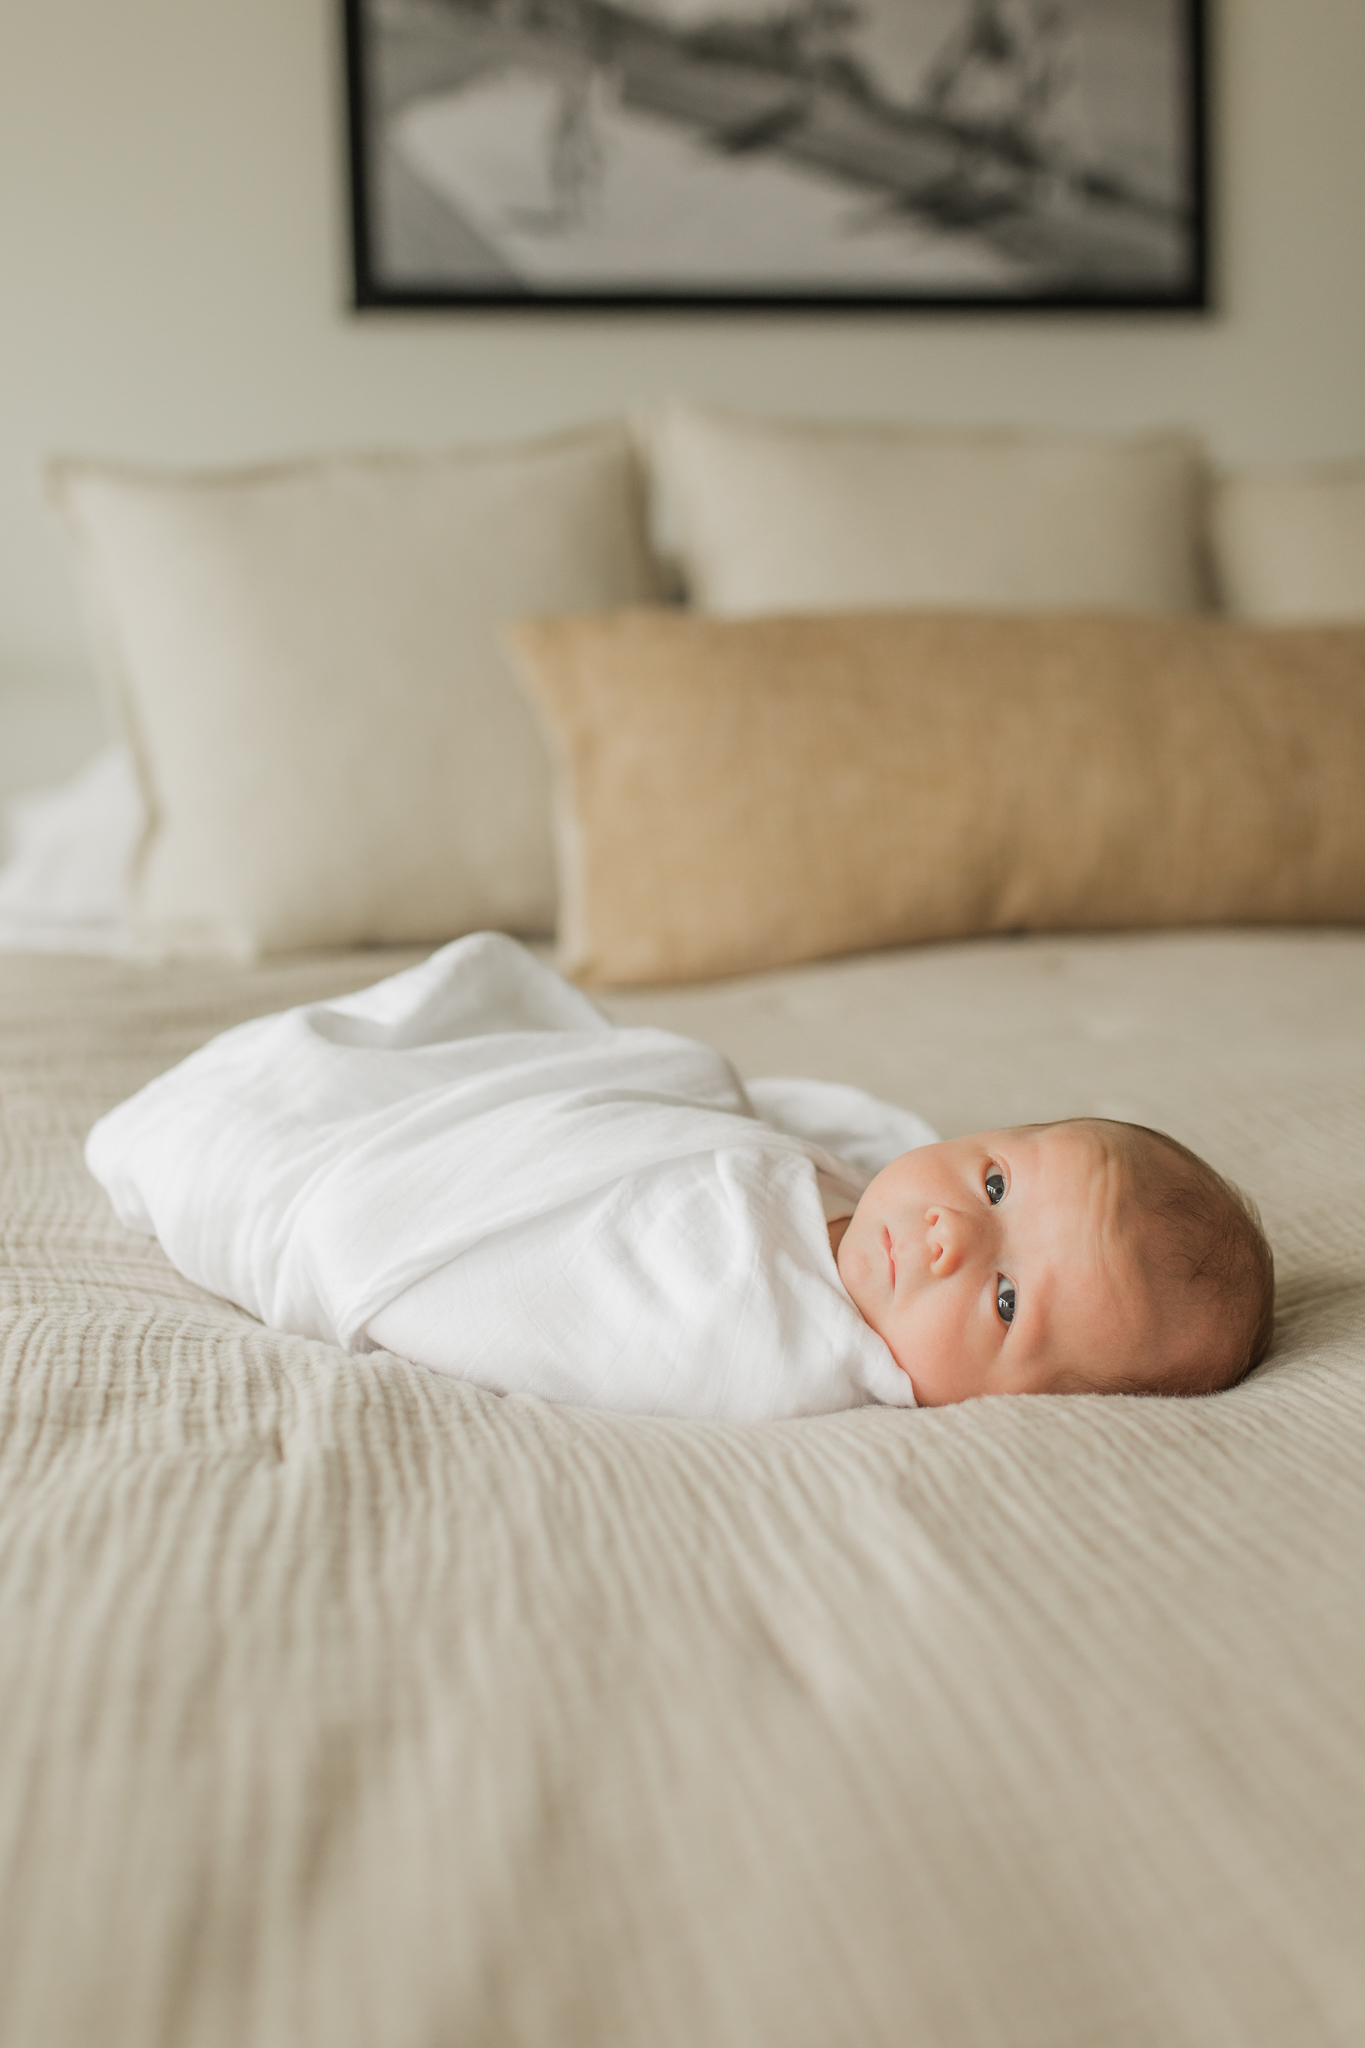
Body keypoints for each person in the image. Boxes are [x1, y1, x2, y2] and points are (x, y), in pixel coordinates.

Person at [85, 935, 1274, 1422]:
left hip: (369, 1187)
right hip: (501, 1114)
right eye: (1000, 1181)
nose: (958, 1233)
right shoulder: (864, 1185)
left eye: (1010, 1304)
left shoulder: (777, 1340)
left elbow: (594, 1288)